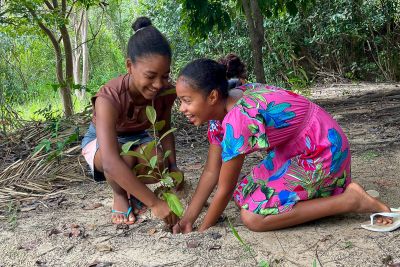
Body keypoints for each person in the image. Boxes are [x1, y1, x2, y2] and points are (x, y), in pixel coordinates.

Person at [173, 58, 392, 233]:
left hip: (323, 151)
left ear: (212, 96)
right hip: (297, 150)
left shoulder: (237, 119)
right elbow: (212, 171)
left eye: (187, 100)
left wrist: (202, 230)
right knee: (244, 194)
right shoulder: (222, 110)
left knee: (254, 218)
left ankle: (350, 201)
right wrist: (187, 219)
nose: (182, 108)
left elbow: (224, 188)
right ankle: (325, 197)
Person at [81, 17, 182, 226]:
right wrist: (155, 203)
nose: (158, 84)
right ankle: (119, 194)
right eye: (151, 75)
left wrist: (173, 166)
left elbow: (165, 129)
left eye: (165, 76)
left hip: (140, 138)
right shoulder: (108, 97)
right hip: (103, 143)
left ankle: (135, 191)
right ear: (129, 66)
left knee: (158, 161)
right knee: (119, 157)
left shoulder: (165, 92)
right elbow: (109, 161)